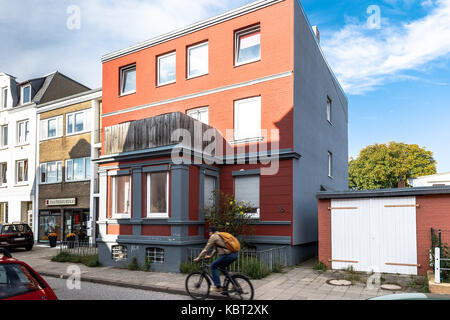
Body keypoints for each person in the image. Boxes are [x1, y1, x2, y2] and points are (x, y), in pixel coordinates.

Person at [194, 226, 239, 292]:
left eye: (209, 233)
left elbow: (205, 250)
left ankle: (218, 286)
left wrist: (198, 258)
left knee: (213, 266)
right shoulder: (220, 235)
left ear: (212, 232)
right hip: (234, 254)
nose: (209, 234)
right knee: (222, 268)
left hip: (227, 255)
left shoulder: (213, 237)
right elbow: (216, 249)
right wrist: (210, 256)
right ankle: (235, 285)